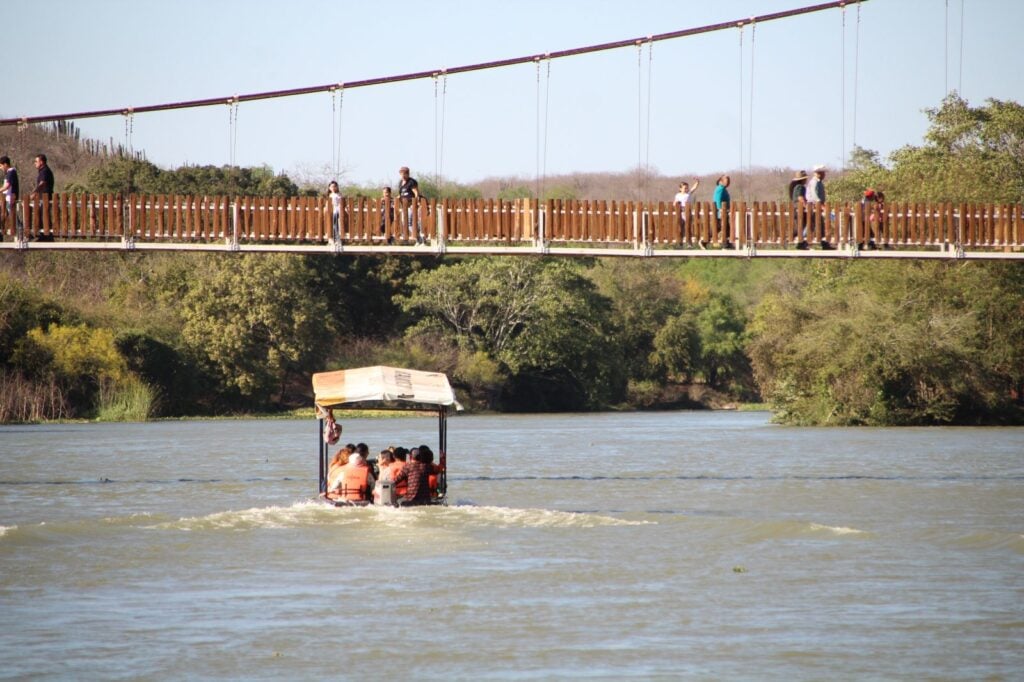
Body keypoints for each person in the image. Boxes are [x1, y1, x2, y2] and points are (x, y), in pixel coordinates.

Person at [806, 165, 833, 249]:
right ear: (819, 173)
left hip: (817, 206)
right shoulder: (814, 182)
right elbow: (814, 195)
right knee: (812, 225)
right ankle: (802, 241)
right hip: (814, 206)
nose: (824, 175)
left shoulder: (818, 182)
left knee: (819, 224)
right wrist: (821, 205)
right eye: (823, 173)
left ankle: (824, 244)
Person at [31, 154, 55, 240]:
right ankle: (44, 235)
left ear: (41, 162)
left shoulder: (45, 171)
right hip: (42, 197)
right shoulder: (42, 171)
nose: (35, 163)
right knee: (42, 215)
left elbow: (42, 183)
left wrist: (34, 193)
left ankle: (46, 236)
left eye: (36, 161)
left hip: (45, 197)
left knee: (43, 215)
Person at [398, 166, 423, 243]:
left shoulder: (411, 182)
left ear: (408, 174)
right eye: (401, 173)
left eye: (405, 174)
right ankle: (419, 238)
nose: (403, 175)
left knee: (409, 222)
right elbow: (401, 194)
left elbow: (416, 193)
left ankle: (419, 239)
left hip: (411, 205)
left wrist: (415, 203)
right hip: (404, 206)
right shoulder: (400, 183)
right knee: (404, 221)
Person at [673, 179, 699, 245]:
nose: (686, 189)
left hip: (687, 212)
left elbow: (694, 188)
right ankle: (680, 241)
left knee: (688, 227)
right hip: (680, 212)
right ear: (680, 188)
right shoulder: (678, 195)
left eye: (687, 188)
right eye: (685, 188)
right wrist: (675, 205)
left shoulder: (688, 194)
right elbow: (674, 203)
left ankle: (689, 242)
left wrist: (697, 182)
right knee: (680, 227)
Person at [788, 170, 809, 249]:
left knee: (801, 227)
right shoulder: (800, 187)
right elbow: (800, 198)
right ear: (803, 179)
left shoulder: (796, 187)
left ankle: (799, 241)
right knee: (806, 225)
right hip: (799, 209)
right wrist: (806, 205)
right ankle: (800, 241)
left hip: (796, 209)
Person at [0, 156, 19, 240]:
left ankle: (21, 233)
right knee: (7, 216)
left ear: (5, 164)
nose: (0, 168)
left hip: (10, 199)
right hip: (7, 199)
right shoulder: (8, 173)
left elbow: (7, 186)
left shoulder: (11, 172)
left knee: (13, 216)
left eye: (1, 166)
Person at [712, 175, 732, 248]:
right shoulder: (720, 188)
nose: (728, 182)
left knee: (724, 228)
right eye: (726, 181)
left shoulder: (723, 189)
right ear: (721, 181)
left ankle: (726, 244)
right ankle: (725, 244)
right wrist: (720, 209)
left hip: (724, 211)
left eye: (729, 181)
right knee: (723, 227)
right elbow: (717, 199)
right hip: (720, 213)